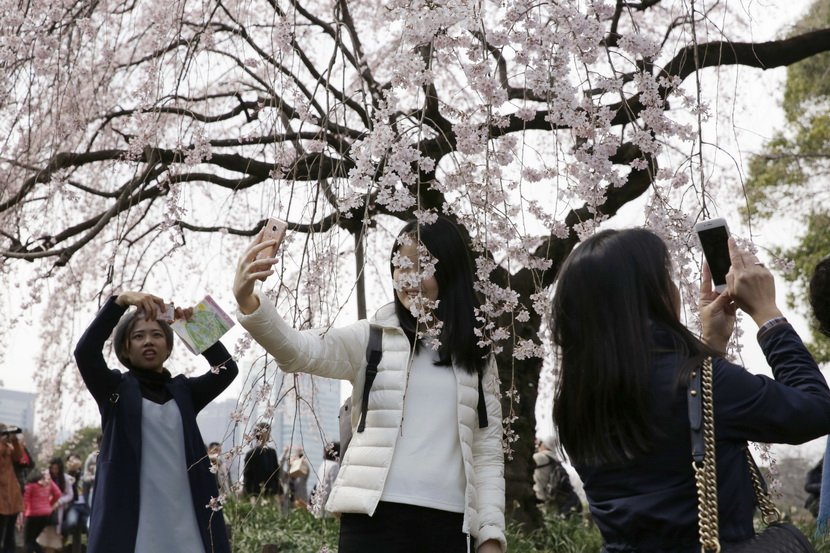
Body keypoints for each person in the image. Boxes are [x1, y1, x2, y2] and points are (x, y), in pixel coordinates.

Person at [234, 215, 506, 553]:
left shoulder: (478, 355)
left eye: (421, 266)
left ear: (450, 270)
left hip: (449, 523)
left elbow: (487, 452)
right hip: (373, 520)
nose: (408, 278)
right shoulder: (372, 338)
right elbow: (298, 351)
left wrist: (490, 534)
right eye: (400, 266)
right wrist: (248, 301)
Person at [551, 228, 830, 552]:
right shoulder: (707, 382)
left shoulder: (574, 404)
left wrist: (711, 347)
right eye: (666, 278)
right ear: (651, 296)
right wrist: (768, 314)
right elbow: (816, 409)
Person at [74, 291, 239, 553]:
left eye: (157, 335)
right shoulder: (114, 390)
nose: (148, 341)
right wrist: (120, 302)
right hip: (133, 520)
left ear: (169, 347)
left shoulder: (184, 392)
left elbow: (227, 369)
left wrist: (191, 327)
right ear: (125, 349)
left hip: (186, 515)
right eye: (138, 336)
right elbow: (85, 353)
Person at [532, 437, 581, 517]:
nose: (538, 445)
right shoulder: (555, 458)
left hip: (543, 499)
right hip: (561, 498)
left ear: (545, 444)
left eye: (540, 443)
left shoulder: (539, 457)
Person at [22, 471, 61, 553]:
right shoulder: (48, 484)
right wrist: (49, 504)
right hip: (45, 515)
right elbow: (58, 494)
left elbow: (25, 501)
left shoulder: (30, 486)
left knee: (28, 540)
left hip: (32, 515)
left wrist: (23, 514)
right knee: (32, 540)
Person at [242, 423, 282, 500]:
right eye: (266, 432)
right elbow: (247, 477)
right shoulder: (251, 454)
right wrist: (250, 496)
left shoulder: (272, 452)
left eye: (269, 432)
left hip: (271, 493)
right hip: (256, 494)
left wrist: (280, 491)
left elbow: (276, 474)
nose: (269, 434)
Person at [0, 424, 24, 553]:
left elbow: (19, 456)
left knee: (10, 534)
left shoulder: (8, 447)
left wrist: (14, 439)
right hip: (2, 497)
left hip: (12, 495)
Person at [310, 442, 340, 518]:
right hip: (328, 501)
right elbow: (334, 486)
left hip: (319, 499)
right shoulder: (334, 465)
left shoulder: (323, 464)